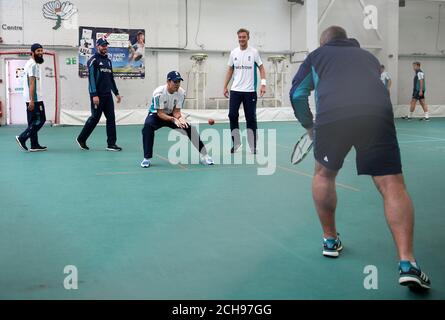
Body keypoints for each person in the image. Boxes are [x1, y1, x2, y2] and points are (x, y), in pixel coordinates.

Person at [289, 26, 431, 290]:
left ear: (324, 42)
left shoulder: (318, 55)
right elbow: (384, 84)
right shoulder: (368, 57)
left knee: (323, 174)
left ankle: (330, 241)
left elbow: (297, 94)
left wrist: (309, 125)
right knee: (392, 184)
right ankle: (407, 263)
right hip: (375, 114)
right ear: (346, 40)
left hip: (333, 116)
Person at [140, 71, 214, 168]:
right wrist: (173, 120)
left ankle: (205, 155)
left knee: (189, 129)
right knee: (147, 127)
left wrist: (180, 118)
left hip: (172, 114)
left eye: (179, 81)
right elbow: (160, 113)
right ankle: (147, 158)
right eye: (175, 82)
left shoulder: (181, 93)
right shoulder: (158, 93)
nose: (177, 84)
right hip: (156, 115)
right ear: (168, 81)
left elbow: (176, 111)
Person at [223, 28, 266, 154]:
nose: (241, 39)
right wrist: (225, 86)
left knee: (251, 118)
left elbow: (262, 68)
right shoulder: (234, 53)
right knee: (232, 115)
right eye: (240, 37)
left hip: (250, 91)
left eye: (244, 37)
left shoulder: (254, 52)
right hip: (235, 90)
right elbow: (230, 69)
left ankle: (253, 146)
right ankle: (236, 143)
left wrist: (263, 84)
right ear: (238, 38)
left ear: (248, 38)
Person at [76, 38, 122, 151]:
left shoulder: (108, 61)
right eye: (102, 45)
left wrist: (116, 93)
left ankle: (111, 144)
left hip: (107, 96)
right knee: (95, 118)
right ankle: (81, 138)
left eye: (106, 45)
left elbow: (110, 79)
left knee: (111, 118)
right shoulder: (93, 60)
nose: (105, 47)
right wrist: (94, 95)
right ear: (98, 47)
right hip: (97, 95)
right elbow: (91, 79)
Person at [15, 43, 47, 152]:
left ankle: (34, 145)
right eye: (38, 51)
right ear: (32, 52)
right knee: (41, 120)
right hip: (35, 99)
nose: (41, 53)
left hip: (30, 98)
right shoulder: (33, 65)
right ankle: (22, 137)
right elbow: (32, 83)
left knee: (33, 121)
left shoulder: (30, 63)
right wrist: (32, 100)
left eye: (41, 50)